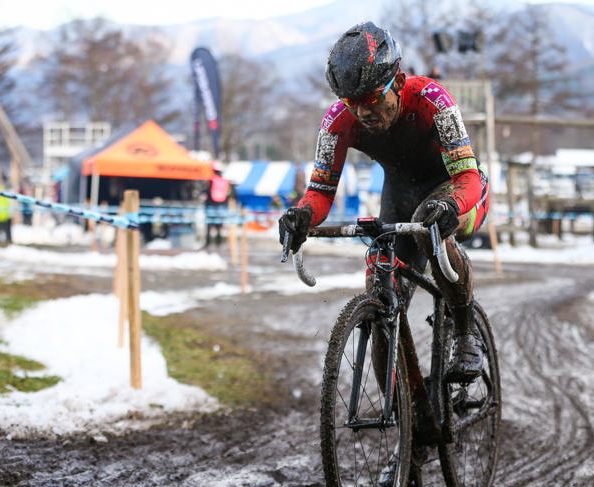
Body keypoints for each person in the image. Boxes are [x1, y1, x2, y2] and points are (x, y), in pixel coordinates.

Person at [279, 22, 488, 382]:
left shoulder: (434, 99)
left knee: (429, 223)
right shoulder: (335, 122)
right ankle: (409, 414)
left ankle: (466, 332)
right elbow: (320, 193)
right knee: (381, 287)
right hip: (400, 194)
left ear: (399, 82)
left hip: (457, 189)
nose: (361, 112)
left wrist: (453, 205)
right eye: (351, 102)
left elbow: (467, 177)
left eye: (371, 100)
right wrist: (301, 215)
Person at [202, 162, 230, 249]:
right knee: (218, 225)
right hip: (220, 204)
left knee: (209, 225)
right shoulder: (223, 181)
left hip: (211, 204)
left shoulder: (212, 180)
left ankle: (208, 242)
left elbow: (207, 191)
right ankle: (219, 242)